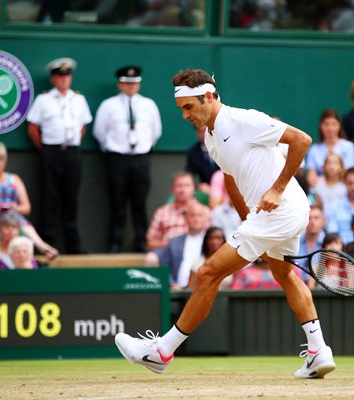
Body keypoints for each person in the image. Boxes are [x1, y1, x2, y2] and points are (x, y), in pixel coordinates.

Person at [115, 68, 336, 379]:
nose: (185, 116)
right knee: (283, 272)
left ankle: (162, 351)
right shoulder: (211, 136)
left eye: (188, 107)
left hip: (283, 208)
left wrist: (277, 188)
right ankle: (318, 351)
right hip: (273, 215)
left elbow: (302, 140)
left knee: (207, 273)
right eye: (181, 109)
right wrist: (247, 219)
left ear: (208, 96)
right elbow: (231, 178)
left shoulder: (245, 120)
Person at [26, 57, 92, 254]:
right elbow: (33, 128)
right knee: (49, 198)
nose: (64, 80)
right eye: (59, 76)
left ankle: (73, 245)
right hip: (50, 152)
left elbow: (83, 127)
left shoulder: (79, 99)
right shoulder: (43, 99)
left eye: (67, 76)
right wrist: (46, 150)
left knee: (70, 199)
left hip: (72, 153)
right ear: (53, 79)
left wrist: (70, 144)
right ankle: (47, 243)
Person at [93, 65, 162, 253]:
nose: (131, 86)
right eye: (126, 83)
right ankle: (115, 242)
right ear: (120, 85)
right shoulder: (109, 105)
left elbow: (156, 132)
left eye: (134, 83)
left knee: (139, 202)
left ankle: (141, 241)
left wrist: (144, 147)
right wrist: (112, 149)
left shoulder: (149, 105)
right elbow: (99, 132)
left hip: (140, 158)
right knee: (117, 203)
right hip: (117, 159)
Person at [0, 142, 58, 259]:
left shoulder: (14, 179)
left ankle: (43, 247)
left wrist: (13, 208)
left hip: (13, 218)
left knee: (16, 221)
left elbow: (26, 208)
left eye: (0, 160)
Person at [159, 200, 210, 290]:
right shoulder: (173, 242)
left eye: (200, 215)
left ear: (206, 218)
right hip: (177, 289)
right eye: (193, 215)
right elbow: (164, 267)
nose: (196, 219)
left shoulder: (210, 242)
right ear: (185, 218)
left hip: (203, 289)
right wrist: (171, 284)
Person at [305, 109, 354, 188]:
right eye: (326, 124)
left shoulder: (349, 146)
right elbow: (311, 177)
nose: (330, 128)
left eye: (333, 124)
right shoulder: (314, 149)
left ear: (339, 126)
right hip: (320, 189)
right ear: (321, 126)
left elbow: (349, 174)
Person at [186, 125, 219, 193]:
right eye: (201, 131)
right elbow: (189, 175)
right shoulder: (193, 152)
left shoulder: (222, 147)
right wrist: (198, 186)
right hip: (204, 190)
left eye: (206, 131)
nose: (204, 134)